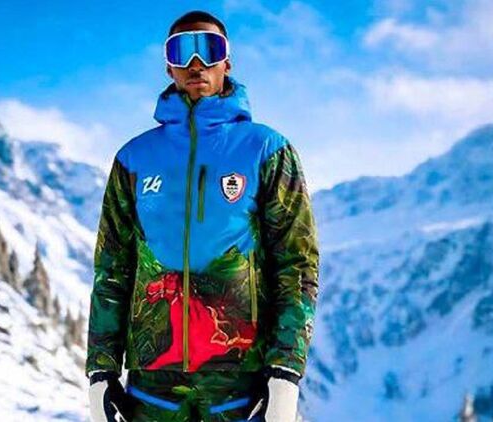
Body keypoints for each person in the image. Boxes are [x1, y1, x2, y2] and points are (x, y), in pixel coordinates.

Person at [86, 10, 319, 422]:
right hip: (152, 386)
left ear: (227, 61)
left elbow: (296, 266)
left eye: (209, 49)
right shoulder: (134, 159)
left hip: (241, 385)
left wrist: (286, 371)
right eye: (182, 51)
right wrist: (101, 370)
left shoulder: (266, 151)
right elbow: (113, 269)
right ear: (168, 66)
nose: (196, 64)